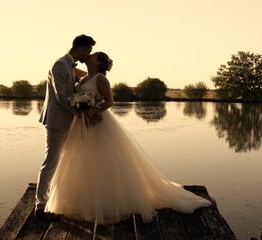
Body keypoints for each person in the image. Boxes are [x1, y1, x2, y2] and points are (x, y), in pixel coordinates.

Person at [44, 52, 212, 224]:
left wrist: (93, 111)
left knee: (102, 161)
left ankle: (107, 201)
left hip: (97, 123)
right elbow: (67, 70)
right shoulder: (85, 76)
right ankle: (80, 199)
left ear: (99, 62)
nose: (89, 55)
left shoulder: (101, 79)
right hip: (80, 125)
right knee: (79, 160)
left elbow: (109, 102)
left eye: (93, 55)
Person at [35, 34, 96, 220]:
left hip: (66, 119)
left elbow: (83, 80)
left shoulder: (69, 66)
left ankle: (54, 198)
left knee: (61, 160)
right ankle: (40, 205)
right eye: (88, 51)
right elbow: (61, 96)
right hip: (56, 119)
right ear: (82, 48)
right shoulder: (60, 64)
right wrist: (80, 112)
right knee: (51, 161)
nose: (88, 55)